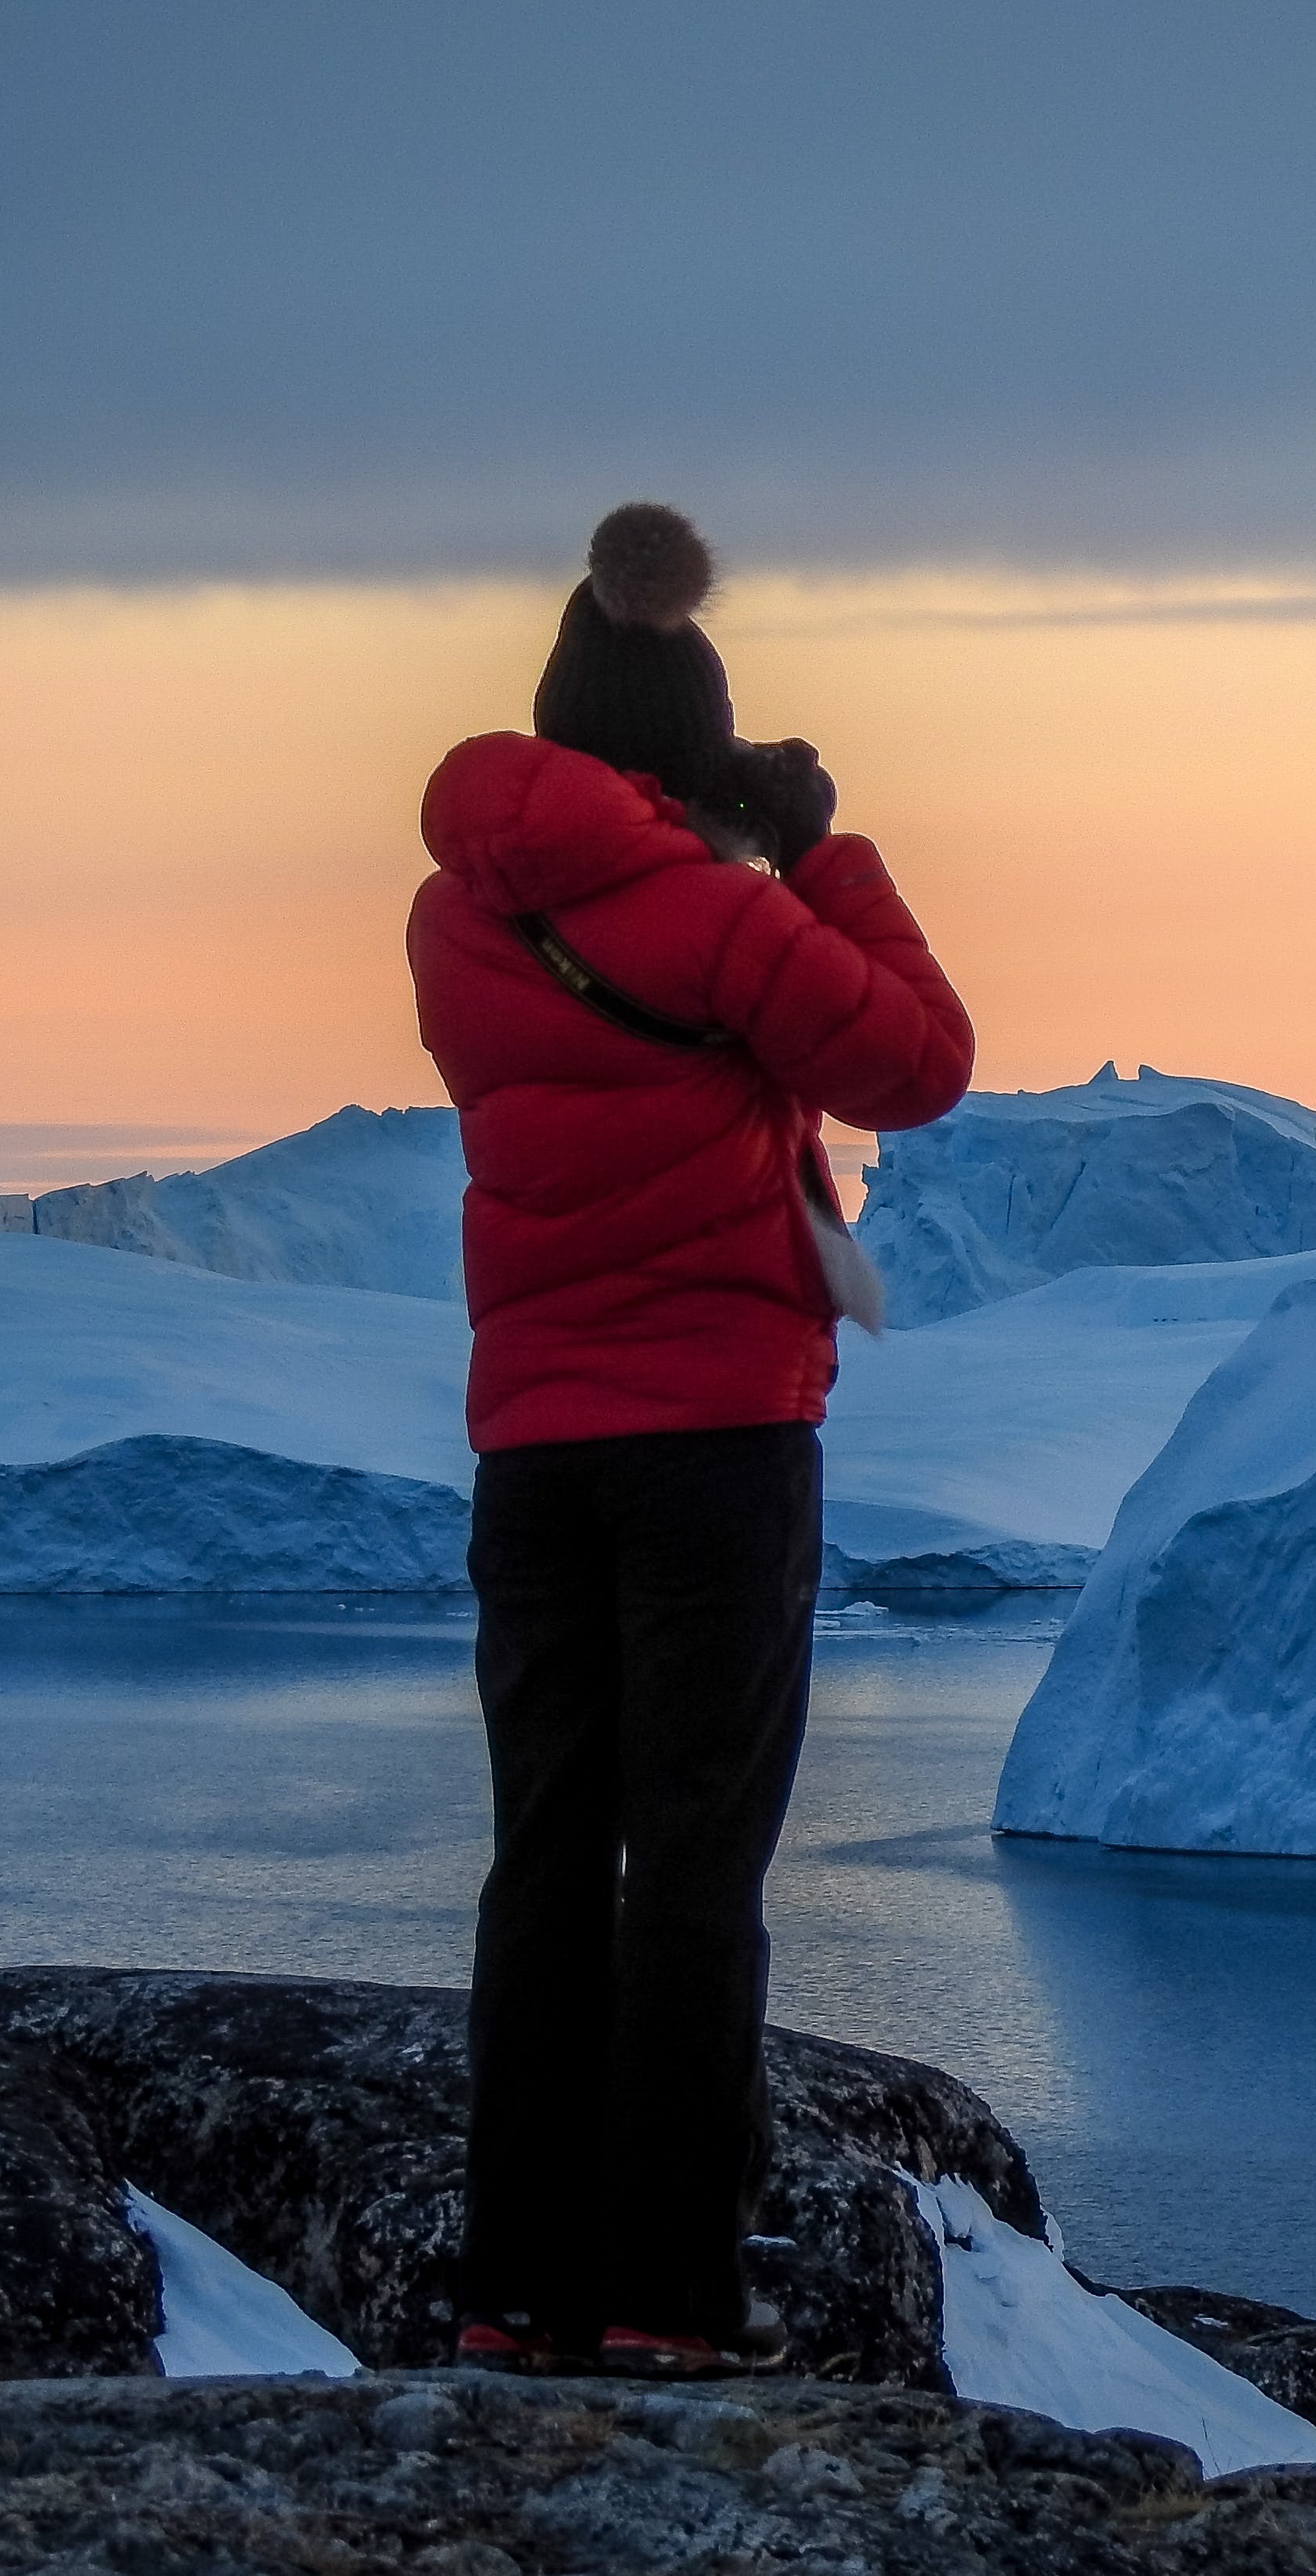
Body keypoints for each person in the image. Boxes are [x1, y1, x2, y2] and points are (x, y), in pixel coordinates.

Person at [408, 503, 974, 2378]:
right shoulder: (730, 915)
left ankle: (509, 2295)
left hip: (535, 1446)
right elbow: (917, 1060)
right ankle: (664, 2300)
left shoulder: (458, 911)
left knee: (546, 1858)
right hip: (720, 1438)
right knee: (699, 1867)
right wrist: (822, 848)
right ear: (691, 739)